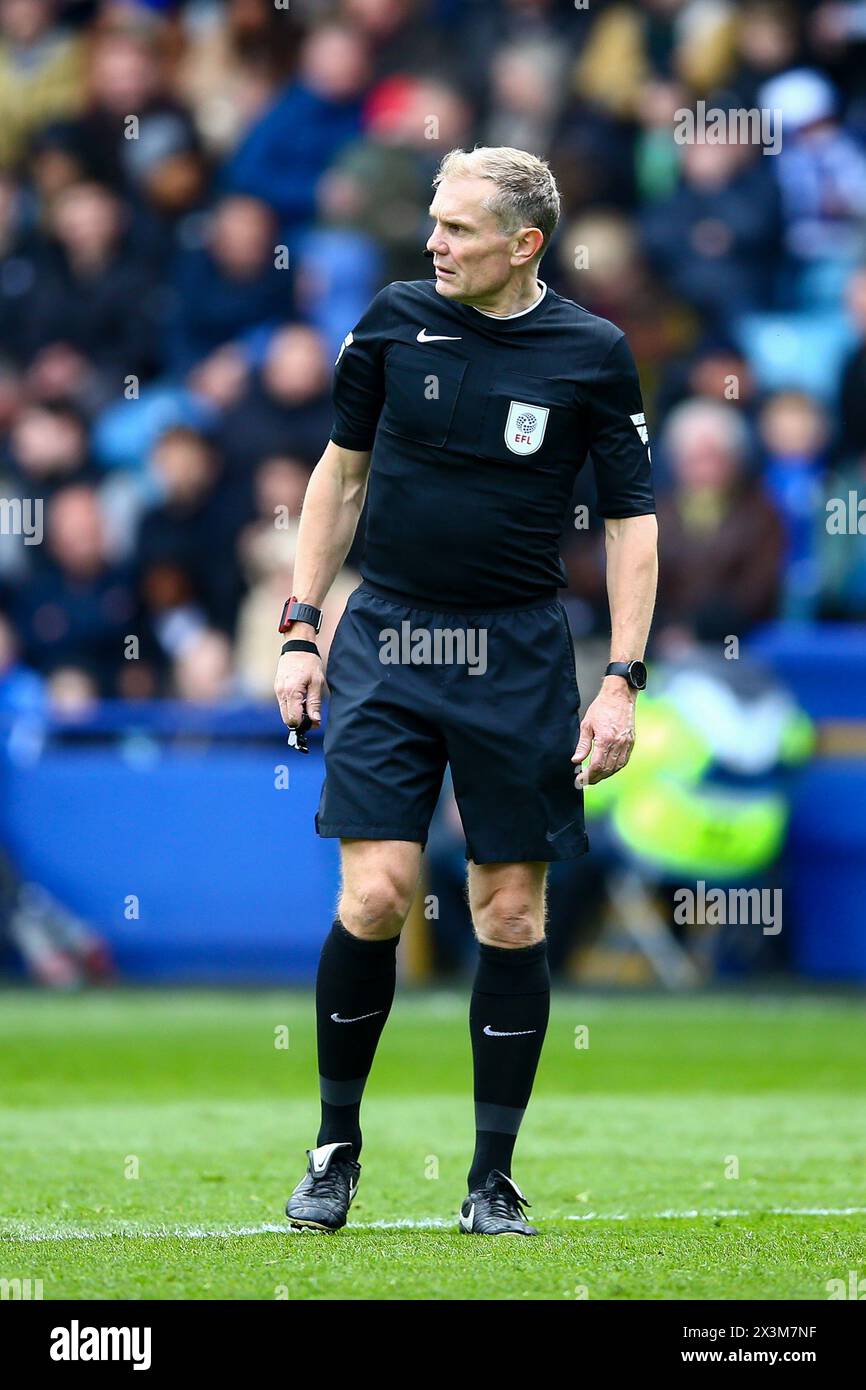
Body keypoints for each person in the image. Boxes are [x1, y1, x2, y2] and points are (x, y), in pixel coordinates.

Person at [273, 146, 658, 1236]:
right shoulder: (393, 321)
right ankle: (333, 1148)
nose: (433, 243)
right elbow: (339, 472)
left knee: (507, 908)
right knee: (376, 896)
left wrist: (621, 677)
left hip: (518, 652)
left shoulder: (590, 353)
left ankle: (491, 1177)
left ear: (523, 244)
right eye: (432, 223)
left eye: (456, 229)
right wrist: (300, 629)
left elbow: (632, 523)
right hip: (389, 634)